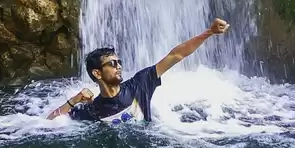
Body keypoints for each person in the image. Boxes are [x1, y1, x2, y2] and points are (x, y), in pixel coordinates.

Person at [46, 18, 230, 123]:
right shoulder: (93, 110)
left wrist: (209, 32)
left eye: (119, 62)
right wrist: (75, 99)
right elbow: (50, 122)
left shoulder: (140, 83)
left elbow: (176, 55)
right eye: (112, 63)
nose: (118, 66)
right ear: (97, 73)